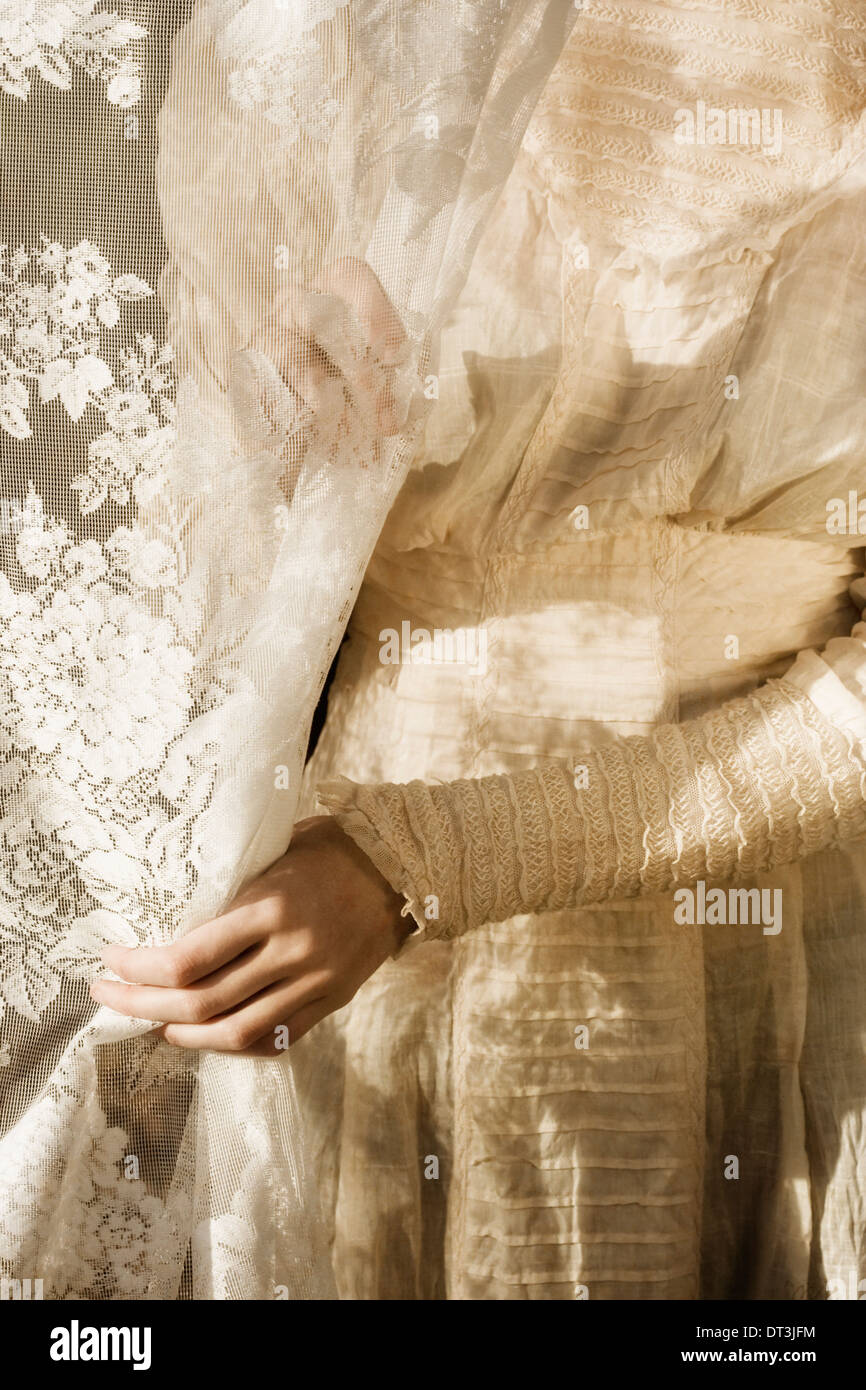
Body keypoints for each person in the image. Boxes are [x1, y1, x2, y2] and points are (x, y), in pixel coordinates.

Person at [94, 5, 866, 1300]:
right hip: (336, 977)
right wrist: (275, 451)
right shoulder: (272, 41)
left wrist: (434, 858)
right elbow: (194, 604)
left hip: (736, 943)